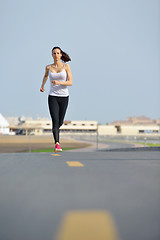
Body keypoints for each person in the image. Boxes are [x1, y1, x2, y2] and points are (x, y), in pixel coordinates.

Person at [40, 46, 72, 152]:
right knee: (55, 120)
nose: (56, 55)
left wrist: (59, 82)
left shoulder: (66, 66)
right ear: (52, 55)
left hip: (64, 97)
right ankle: (57, 144)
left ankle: (56, 132)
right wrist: (42, 86)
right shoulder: (48, 67)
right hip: (53, 96)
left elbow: (70, 82)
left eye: (58, 53)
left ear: (61, 54)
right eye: (54, 53)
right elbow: (45, 76)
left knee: (60, 121)